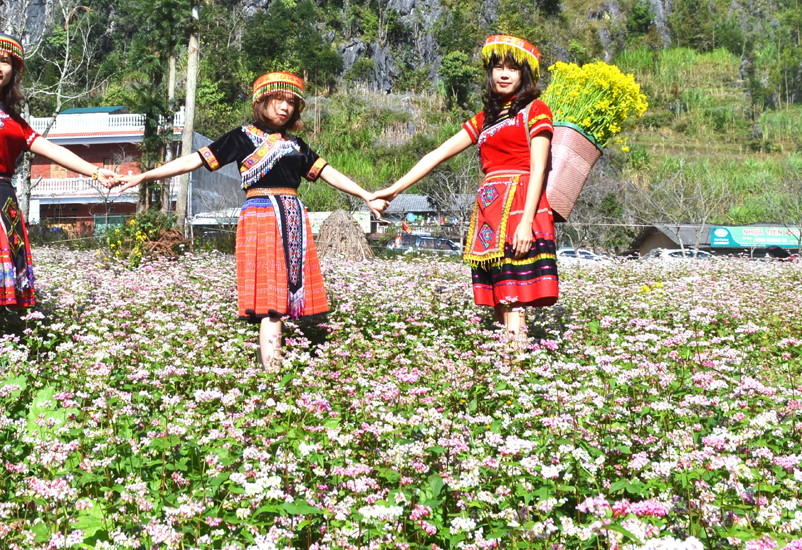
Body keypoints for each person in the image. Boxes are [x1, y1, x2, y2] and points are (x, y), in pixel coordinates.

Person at [114, 72, 383, 371]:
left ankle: (275, 369)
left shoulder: (296, 145)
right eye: (278, 100)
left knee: (283, 301)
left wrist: (365, 194)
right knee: (271, 302)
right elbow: (194, 160)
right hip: (261, 218)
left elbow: (328, 172)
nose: (285, 108)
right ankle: (272, 373)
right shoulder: (242, 137)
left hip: (293, 216)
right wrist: (144, 175)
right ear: (262, 101)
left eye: (291, 103)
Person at [0, 31, 116, 360]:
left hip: (4, 202)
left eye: (5, 60)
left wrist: (96, 172)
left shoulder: (13, 118)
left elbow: (49, 149)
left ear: (14, 69)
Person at [374, 35, 557, 347]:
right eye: (497, 67)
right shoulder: (485, 119)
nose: (503, 73)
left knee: (515, 297)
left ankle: (516, 367)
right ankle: (506, 364)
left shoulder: (536, 110)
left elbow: (539, 168)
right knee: (500, 296)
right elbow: (437, 154)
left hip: (519, 207)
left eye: (512, 68)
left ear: (524, 75)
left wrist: (527, 221)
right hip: (489, 212)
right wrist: (393, 189)